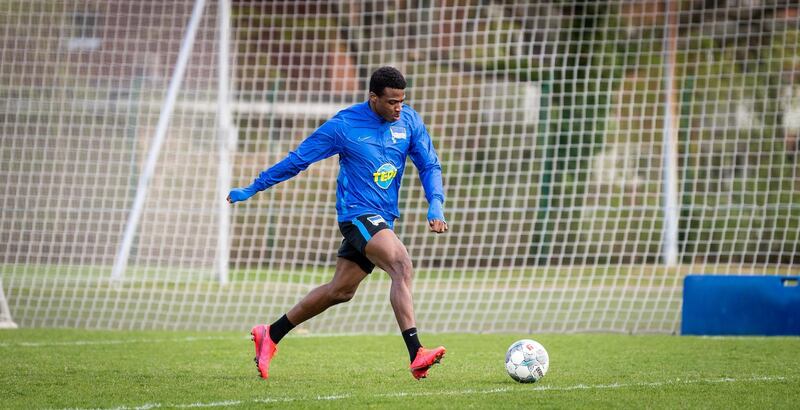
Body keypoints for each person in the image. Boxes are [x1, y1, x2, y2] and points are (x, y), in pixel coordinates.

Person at [227, 66, 448, 380]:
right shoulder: (344, 126)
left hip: (382, 218)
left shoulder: (409, 121)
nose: (398, 107)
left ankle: (270, 333)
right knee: (401, 264)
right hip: (357, 214)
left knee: (340, 291)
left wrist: (435, 203)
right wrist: (254, 186)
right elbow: (298, 160)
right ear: (373, 98)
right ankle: (417, 353)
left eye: (402, 101)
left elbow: (429, 164)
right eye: (391, 102)